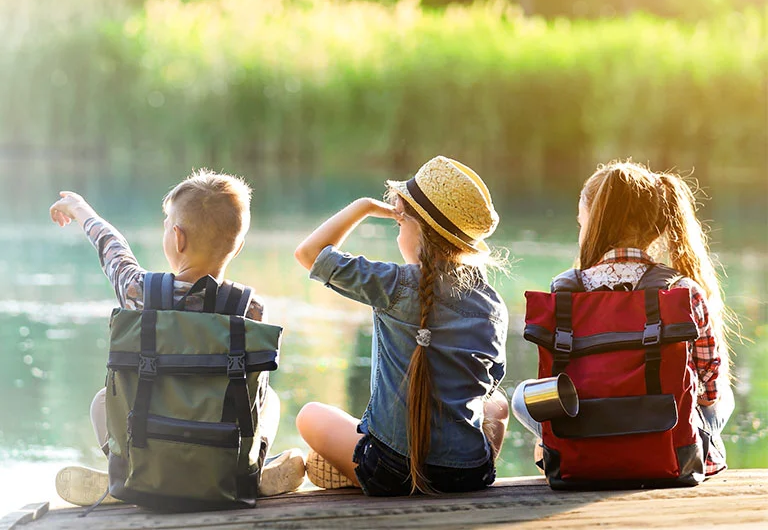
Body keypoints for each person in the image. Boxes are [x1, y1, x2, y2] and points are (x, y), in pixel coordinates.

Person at [46, 169, 306, 506]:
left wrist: (81, 210)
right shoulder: (250, 310)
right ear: (238, 247)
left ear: (177, 238)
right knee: (269, 400)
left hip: (150, 449)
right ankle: (249, 473)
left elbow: (113, 251)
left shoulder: (139, 293)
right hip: (222, 458)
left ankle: (126, 471)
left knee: (102, 400)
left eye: (166, 225)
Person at [292, 156, 509, 495]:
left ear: (416, 228)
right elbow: (491, 382)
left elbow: (310, 253)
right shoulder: (492, 303)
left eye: (399, 224)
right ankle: (456, 471)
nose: (398, 233)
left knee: (309, 415)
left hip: (391, 470)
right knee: (499, 406)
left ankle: (353, 471)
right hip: (469, 474)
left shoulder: (393, 285)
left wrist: (363, 208)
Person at [509, 160, 732, 474]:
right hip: (666, 445)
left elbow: (554, 379)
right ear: (656, 225)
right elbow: (708, 387)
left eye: (580, 221)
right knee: (724, 395)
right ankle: (705, 454)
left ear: (594, 222)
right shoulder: (682, 291)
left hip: (584, 430)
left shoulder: (564, 292)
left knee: (522, 396)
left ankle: (568, 450)